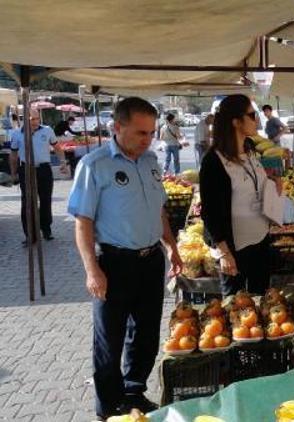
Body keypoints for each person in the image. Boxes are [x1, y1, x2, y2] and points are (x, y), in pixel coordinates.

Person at [67, 97, 183, 420]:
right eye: (141, 133)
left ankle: (134, 392)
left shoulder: (151, 163)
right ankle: (108, 406)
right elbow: (83, 222)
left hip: (150, 261)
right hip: (114, 264)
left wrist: (171, 246)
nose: (148, 140)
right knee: (109, 338)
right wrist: (92, 270)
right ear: (117, 128)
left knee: (145, 332)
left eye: (151, 133)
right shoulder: (94, 165)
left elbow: (158, 210)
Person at [200, 95, 280, 296]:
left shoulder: (250, 148)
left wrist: (272, 184)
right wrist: (224, 253)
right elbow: (209, 213)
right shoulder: (213, 162)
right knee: (236, 309)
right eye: (252, 115)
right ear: (235, 122)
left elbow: (253, 184)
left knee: (262, 303)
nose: (257, 120)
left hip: (261, 241)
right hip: (234, 249)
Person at [10, 109, 69, 244]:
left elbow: (57, 147)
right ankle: (29, 234)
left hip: (44, 169)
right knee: (28, 202)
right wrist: (13, 173)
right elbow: (13, 155)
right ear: (25, 119)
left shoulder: (47, 130)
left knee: (45, 199)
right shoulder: (17, 134)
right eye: (32, 119)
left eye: (37, 119)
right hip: (26, 169)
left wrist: (63, 163)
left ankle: (46, 229)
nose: (36, 122)